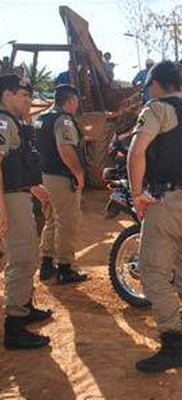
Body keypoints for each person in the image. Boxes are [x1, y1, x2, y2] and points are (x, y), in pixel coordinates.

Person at [128, 61, 182, 373]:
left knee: (152, 271)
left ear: (156, 84)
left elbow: (137, 152)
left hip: (168, 200)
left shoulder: (157, 109)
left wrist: (137, 194)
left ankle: (173, 342)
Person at [0, 74, 53, 350]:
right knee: (21, 259)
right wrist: (2, 208)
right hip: (10, 200)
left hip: (19, 196)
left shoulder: (15, 123)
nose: (28, 100)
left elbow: (14, 165)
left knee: (29, 255)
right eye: (23, 95)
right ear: (7, 95)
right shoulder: (3, 122)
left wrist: (32, 187)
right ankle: (15, 327)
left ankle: (23, 306)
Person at [35, 85, 88, 285]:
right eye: (76, 102)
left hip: (44, 177)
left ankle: (46, 263)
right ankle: (65, 268)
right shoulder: (63, 120)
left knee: (51, 220)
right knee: (67, 222)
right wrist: (79, 173)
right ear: (70, 101)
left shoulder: (41, 117)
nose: (76, 105)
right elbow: (65, 148)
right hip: (60, 178)